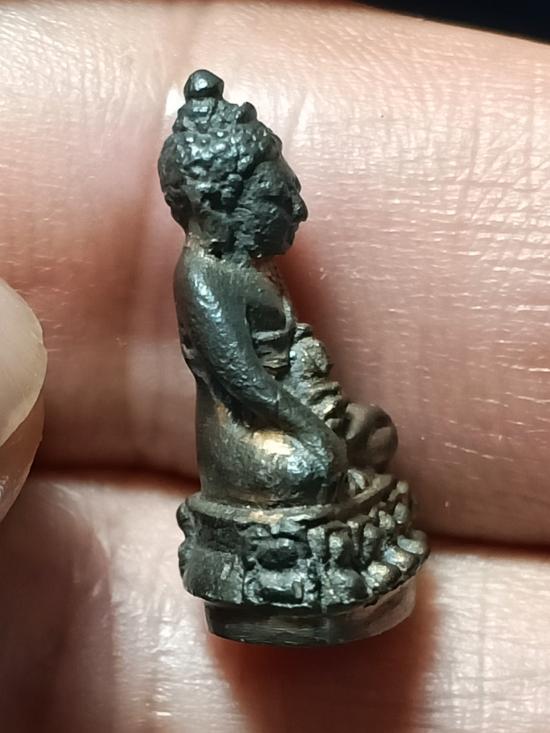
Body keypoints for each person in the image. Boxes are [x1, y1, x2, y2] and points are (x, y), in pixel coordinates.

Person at [1, 3, 550, 731]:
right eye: (275, 195)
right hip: (249, 437)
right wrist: (314, 433)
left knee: (376, 434)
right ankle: (298, 574)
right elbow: (244, 383)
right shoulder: (204, 278)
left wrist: (329, 418)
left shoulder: (249, 269)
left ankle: (343, 548)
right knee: (315, 467)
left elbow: (289, 366)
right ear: (221, 206)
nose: (295, 208)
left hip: (290, 412)